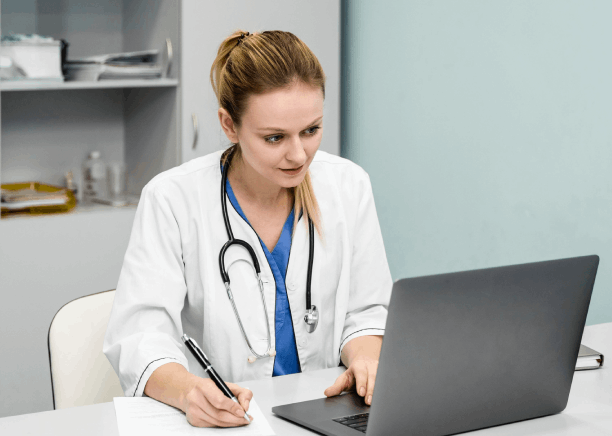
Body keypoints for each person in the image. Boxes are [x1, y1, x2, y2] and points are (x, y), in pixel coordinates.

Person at [103, 29, 392, 428]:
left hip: (326, 416)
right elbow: (140, 337)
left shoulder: (348, 185)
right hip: (227, 423)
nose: (298, 154)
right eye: (274, 137)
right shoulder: (173, 199)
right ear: (229, 125)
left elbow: (366, 312)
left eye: (311, 130)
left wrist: (365, 358)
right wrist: (189, 391)